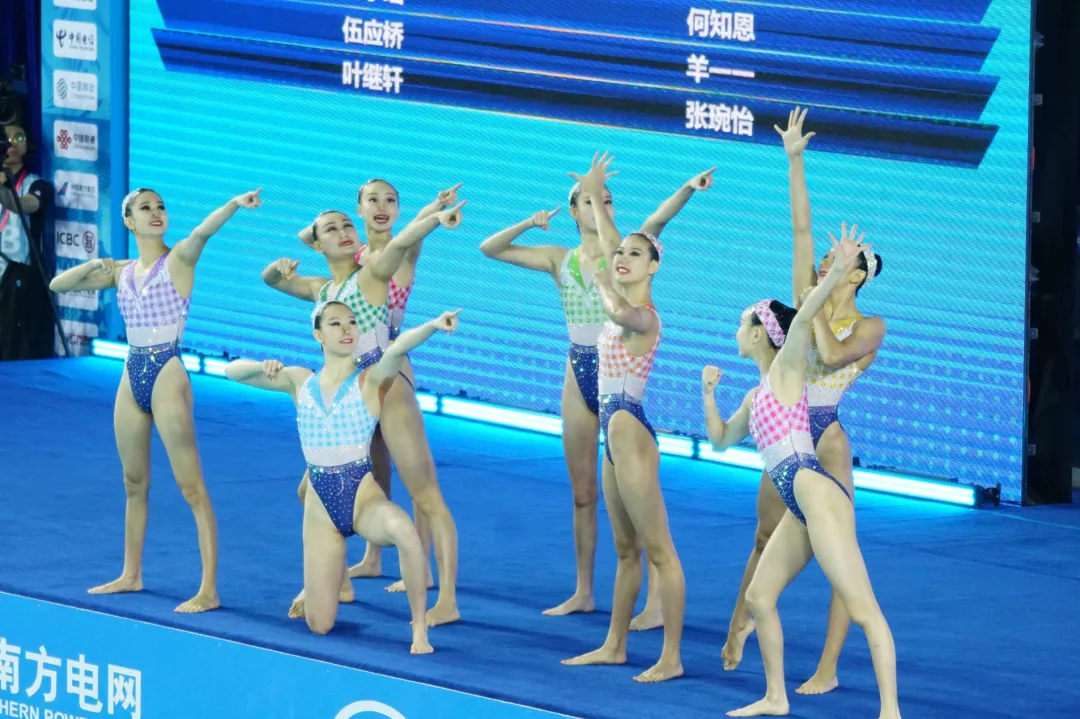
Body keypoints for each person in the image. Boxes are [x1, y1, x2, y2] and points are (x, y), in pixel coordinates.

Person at [479, 157, 712, 618]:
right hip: (577, 371)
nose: (601, 207)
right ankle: (584, 591)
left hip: (615, 376)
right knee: (583, 493)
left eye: (607, 201)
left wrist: (687, 187)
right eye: (590, 201)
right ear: (573, 211)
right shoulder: (558, 259)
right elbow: (490, 248)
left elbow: (657, 221)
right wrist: (529, 222)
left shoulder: (620, 253)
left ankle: (655, 599)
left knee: (636, 498)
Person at [720, 109, 886, 698]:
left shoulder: (870, 326)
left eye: (845, 261)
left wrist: (813, 303)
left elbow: (834, 356)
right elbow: (800, 230)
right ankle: (742, 622)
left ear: (858, 277)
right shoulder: (807, 298)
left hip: (826, 437)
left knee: (842, 557)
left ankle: (827, 666)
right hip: (785, 430)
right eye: (830, 257)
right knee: (764, 536)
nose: (829, 261)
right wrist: (795, 161)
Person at [702, 226, 900, 718]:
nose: (734, 330)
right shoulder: (756, 394)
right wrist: (707, 394)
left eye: (741, 323)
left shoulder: (790, 368)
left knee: (864, 608)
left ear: (759, 333)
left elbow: (809, 313)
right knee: (759, 596)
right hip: (799, 501)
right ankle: (775, 697)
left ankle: (890, 712)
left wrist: (834, 271)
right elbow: (720, 440)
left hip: (818, 494)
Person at [49, 186, 263, 612]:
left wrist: (233, 204)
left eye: (160, 206)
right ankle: (131, 574)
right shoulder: (122, 271)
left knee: (191, 486)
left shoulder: (178, 259)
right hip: (132, 373)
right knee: (134, 483)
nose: (156, 212)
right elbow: (58, 284)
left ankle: (209, 589)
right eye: (145, 208)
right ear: (129, 221)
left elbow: (202, 233)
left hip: (167, 371)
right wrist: (94, 265)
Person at [263, 198, 465, 625]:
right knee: (311, 490)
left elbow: (402, 243)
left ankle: (446, 599)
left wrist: (434, 217)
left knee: (425, 495)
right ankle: (340, 580)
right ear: (317, 245)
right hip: (350, 400)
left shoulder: (371, 274)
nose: (343, 232)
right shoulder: (322, 291)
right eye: (331, 229)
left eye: (346, 226)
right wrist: (280, 266)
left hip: (386, 387)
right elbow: (270, 280)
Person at [225, 302, 461, 653]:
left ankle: (419, 630)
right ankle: (326, 585)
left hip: (363, 499)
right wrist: (263, 366)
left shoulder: (370, 379)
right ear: (318, 335)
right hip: (320, 508)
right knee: (319, 624)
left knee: (406, 534)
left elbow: (398, 347)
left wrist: (434, 325)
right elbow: (231, 371)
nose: (346, 329)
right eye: (335, 324)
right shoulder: (299, 380)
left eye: (351, 322)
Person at [561, 153, 685, 683]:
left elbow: (617, 309)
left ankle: (671, 657)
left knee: (660, 551)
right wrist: (592, 191)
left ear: (653, 266)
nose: (622, 257)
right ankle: (613, 645)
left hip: (630, 432)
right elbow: (611, 241)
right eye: (621, 254)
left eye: (636, 254)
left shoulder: (644, 317)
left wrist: (602, 281)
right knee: (625, 548)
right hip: (612, 435)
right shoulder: (619, 284)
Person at [0, 121, 54, 360]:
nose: (11, 143)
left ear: (28, 146)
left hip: (16, 282)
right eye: (5, 138)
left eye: (18, 138)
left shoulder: (37, 185)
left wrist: (2, 187)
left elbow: (21, 206)